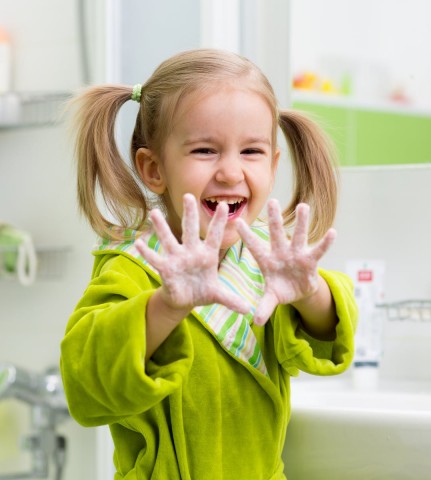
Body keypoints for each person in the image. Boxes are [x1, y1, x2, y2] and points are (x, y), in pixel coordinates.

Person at [60, 48, 357, 480]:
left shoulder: (269, 269)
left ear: (273, 167)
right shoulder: (134, 267)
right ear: (154, 168)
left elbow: (333, 332)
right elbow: (85, 379)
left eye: (251, 151)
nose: (231, 172)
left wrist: (311, 293)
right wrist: (166, 306)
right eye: (205, 150)